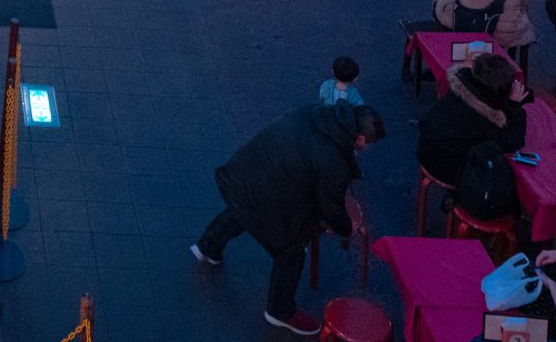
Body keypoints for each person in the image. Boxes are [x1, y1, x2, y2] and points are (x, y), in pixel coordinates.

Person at [191, 101, 385, 333]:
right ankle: (279, 310)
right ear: (361, 139)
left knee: (242, 210)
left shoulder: (311, 111)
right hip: (271, 195)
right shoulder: (334, 163)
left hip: (246, 172)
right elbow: (332, 208)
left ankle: (207, 246)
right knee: (290, 253)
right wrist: (347, 228)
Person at [416, 51, 529, 216]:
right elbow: (513, 141)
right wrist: (515, 107)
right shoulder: (485, 116)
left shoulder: (461, 85)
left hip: (426, 148)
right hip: (446, 167)